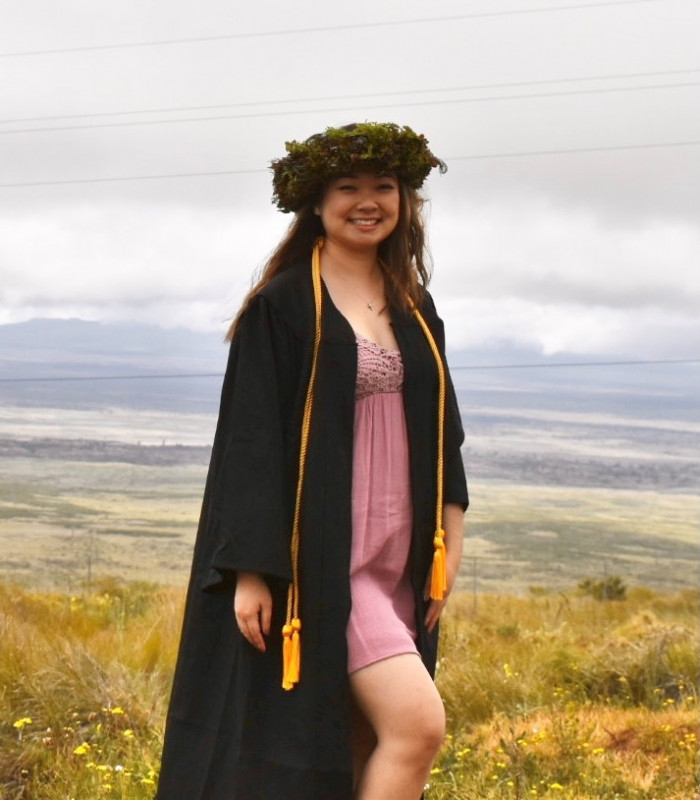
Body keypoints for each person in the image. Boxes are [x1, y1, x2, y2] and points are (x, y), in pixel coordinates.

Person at [156, 122, 468, 800]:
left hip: (402, 561)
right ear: (317, 205)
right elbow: (253, 442)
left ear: (404, 200)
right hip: (326, 563)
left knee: (358, 737)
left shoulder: (414, 306)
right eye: (347, 188)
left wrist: (450, 545)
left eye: (383, 187)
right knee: (416, 728)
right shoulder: (286, 305)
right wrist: (250, 571)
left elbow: (445, 432)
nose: (368, 201)